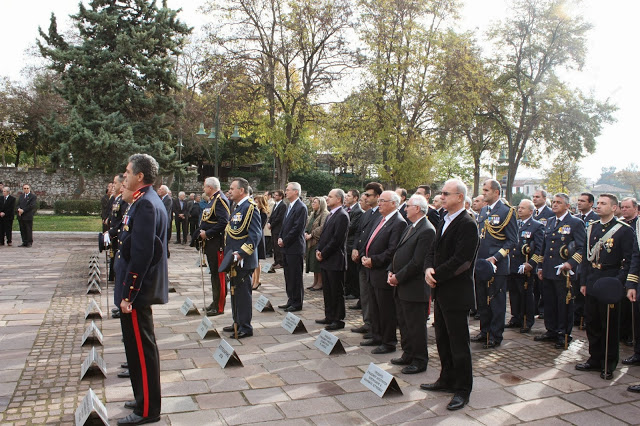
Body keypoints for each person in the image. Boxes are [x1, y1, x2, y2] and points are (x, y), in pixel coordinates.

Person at [114, 153, 168, 425]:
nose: (124, 177)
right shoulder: (144, 201)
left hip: (137, 292)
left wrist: (128, 294)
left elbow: (143, 254)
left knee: (143, 352)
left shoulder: (146, 204)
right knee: (135, 351)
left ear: (140, 176)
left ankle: (148, 410)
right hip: (135, 291)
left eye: (127, 173)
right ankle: (141, 397)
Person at [421, 179, 479, 411]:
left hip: (456, 291)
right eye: (441, 193)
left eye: (446, 193)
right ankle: (446, 379)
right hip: (441, 289)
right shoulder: (444, 219)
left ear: (460, 197)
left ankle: (463, 390)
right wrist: (427, 268)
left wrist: (437, 274)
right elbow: (433, 250)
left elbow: (462, 260)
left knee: (458, 343)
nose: (441, 196)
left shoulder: (467, 223)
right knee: (443, 339)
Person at [575, 193, 634, 379]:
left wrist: (618, 282)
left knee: (608, 324)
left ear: (614, 208)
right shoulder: (591, 228)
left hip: (610, 280)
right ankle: (594, 358)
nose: (598, 206)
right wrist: (583, 281)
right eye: (598, 203)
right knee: (592, 322)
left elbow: (629, 260)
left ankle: (608, 363)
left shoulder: (623, 230)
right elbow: (585, 258)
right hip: (593, 279)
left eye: (603, 204)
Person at [388, 194, 435, 374]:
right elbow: (400, 253)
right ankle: (408, 354)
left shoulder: (427, 230)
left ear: (417, 208)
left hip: (414, 288)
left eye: (408, 206)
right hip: (402, 286)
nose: (405, 208)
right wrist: (392, 272)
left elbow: (417, 262)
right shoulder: (412, 227)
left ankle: (419, 360)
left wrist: (398, 277)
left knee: (415, 326)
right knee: (405, 323)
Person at [535, 193, 586, 349]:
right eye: (554, 202)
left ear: (567, 206)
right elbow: (544, 247)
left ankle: (563, 333)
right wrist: (541, 266)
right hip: (550, 269)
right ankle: (551, 330)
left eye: (559, 202)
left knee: (563, 303)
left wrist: (570, 264)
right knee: (549, 302)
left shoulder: (575, 223)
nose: (555, 205)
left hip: (564, 271)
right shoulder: (550, 222)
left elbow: (581, 248)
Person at [359, 190, 407, 354]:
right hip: (371, 269)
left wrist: (374, 260)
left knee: (386, 309)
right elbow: (370, 240)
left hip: (382, 271)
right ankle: (376, 335)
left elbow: (392, 250)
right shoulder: (381, 219)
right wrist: (366, 256)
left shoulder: (398, 222)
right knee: (375, 307)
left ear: (394, 203)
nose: (378, 204)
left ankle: (389, 342)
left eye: (382, 201)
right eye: (378, 201)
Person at [472, 179, 518, 349]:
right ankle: (485, 331)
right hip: (481, 263)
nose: (483, 193)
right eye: (483, 190)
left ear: (496, 192)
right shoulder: (484, 210)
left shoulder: (507, 211)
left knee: (496, 301)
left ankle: (495, 335)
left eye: (486, 190)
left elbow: (512, 241)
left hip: (496, 265)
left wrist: (496, 257)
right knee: (482, 300)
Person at [221, 177, 262, 339]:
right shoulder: (237, 206)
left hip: (243, 259)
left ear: (241, 190)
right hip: (234, 258)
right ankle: (237, 321)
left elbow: (255, 235)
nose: (229, 191)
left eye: (232, 188)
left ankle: (245, 326)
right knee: (235, 292)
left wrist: (241, 253)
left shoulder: (250, 208)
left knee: (243, 294)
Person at [506, 199, 543, 333]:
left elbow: (539, 248)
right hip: (513, 265)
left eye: (523, 208)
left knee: (526, 295)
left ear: (531, 211)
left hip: (525, 266)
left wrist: (531, 264)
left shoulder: (537, 226)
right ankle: (516, 317)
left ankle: (527, 320)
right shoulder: (515, 224)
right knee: (514, 294)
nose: (519, 210)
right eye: (519, 207)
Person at [350, 183, 383, 335]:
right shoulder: (367, 213)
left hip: (372, 261)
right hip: (362, 258)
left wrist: (364, 254)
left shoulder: (381, 215)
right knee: (364, 294)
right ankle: (367, 322)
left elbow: (375, 238)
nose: (366, 197)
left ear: (377, 197)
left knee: (373, 297)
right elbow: (359, 233)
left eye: (369, 195)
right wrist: (356, 248)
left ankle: (374, 326)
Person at [315, 188, 350, 330]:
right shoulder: (331, 215)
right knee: (328, 290)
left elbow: (337, 240)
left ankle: (338, 319)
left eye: (330, 196)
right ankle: (329, 315)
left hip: (335, 259)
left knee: (336, 291)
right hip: (325, 259)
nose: (327, 199)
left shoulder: (342, 215)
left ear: (339, 199)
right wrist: (319, 249)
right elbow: (324, 236)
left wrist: (323, 253)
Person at [195, 177, 230, 316]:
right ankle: (215, 302)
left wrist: (207, 233)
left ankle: (219, 306)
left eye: (205, 187)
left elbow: (223, 222)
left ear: (210, 187)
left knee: (219, 275)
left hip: (217, 243)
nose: (204, 189)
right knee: (214, 274)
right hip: (210, 243)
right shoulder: (213, 200)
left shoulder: (220, 200)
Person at [278, 182, 308, 312]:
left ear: (296, 192)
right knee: (288, 275)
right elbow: (284, 225)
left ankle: (297, 302)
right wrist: (280, 237)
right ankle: (290, 299)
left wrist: (285, 240)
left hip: (294, 247)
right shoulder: (289, 206)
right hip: (286, 247)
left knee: (295, 276)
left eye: (288, 190)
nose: (286, 191)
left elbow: (297, 228)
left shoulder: (301, 207)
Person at [532, 189, 555, 319]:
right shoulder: (532, 213)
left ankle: (542, 309)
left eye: (537, 197)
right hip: (531, 253)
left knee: (542, 286)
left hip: (544, 253)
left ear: (544, 199)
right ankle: (535, 308)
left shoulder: (550, 214)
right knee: (534, 286)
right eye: (533, 197)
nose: (535, 199)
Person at [105, 174, 128, 282]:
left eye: (115, 183)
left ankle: (115, 276)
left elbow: (123, 220)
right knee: (113, 255)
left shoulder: (123, 200)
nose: (113, 186)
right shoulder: (117, 199)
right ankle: (113, 276)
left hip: (118, 234)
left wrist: (113, 231)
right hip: (114, 233)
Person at [305, 197, 329, 291]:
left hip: (318, 241)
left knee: (317, 263)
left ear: (321, 204)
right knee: (312, 263)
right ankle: (315, 281)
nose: (313, 204)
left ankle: (320, 282)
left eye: (315, 202)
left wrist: (312, 234)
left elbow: (322, 227)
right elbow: (308, 225)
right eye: (313, 202)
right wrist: (306, 232)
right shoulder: (312, 214)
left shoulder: (325, 214)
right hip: (310, 241)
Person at [344, 189, 363, 300]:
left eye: (349, 196)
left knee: (352, 270)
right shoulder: (346, 208)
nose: (346, 197)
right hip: (345, 243)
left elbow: (351, 227)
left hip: (351, 244)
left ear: (355, 198)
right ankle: (347, 289)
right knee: (347, 270)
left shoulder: (358, 211)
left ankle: (354, 291)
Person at [252, 194, 269, 290]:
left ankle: (257, 280)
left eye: (257, 202)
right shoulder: (256, 212)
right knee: (254, 260)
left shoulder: (263, 213)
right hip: (255, 237)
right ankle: (254, 279)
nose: (255, 203)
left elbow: (260, 226)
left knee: (257, 260)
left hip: (259, 238)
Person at [268, 190, 286, 271]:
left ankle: (280, 262)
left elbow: (279, 217)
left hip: (278, 228)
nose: (274, 196)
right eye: (274, 195)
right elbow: (272, 215)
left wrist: (272, 224)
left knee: (278, 246)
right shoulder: (276, 204)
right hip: (273, 229)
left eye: (276, 195)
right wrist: (269, 222)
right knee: (274, 245)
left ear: (281, 196)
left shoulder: (283, 205)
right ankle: (276, 261)